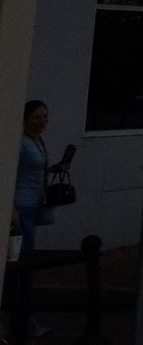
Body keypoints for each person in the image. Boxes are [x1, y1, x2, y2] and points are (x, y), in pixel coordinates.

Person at [8, 100, 50, 340]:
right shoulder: (22, 143)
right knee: (23, 266)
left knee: (26, 266)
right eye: (36, 117)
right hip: (22, 207)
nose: (42, 121)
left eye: (44, 116)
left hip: (33, 205)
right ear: (25, 120)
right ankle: (23, 322)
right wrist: (12, 207)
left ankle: (24, 320)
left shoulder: (37, 141)